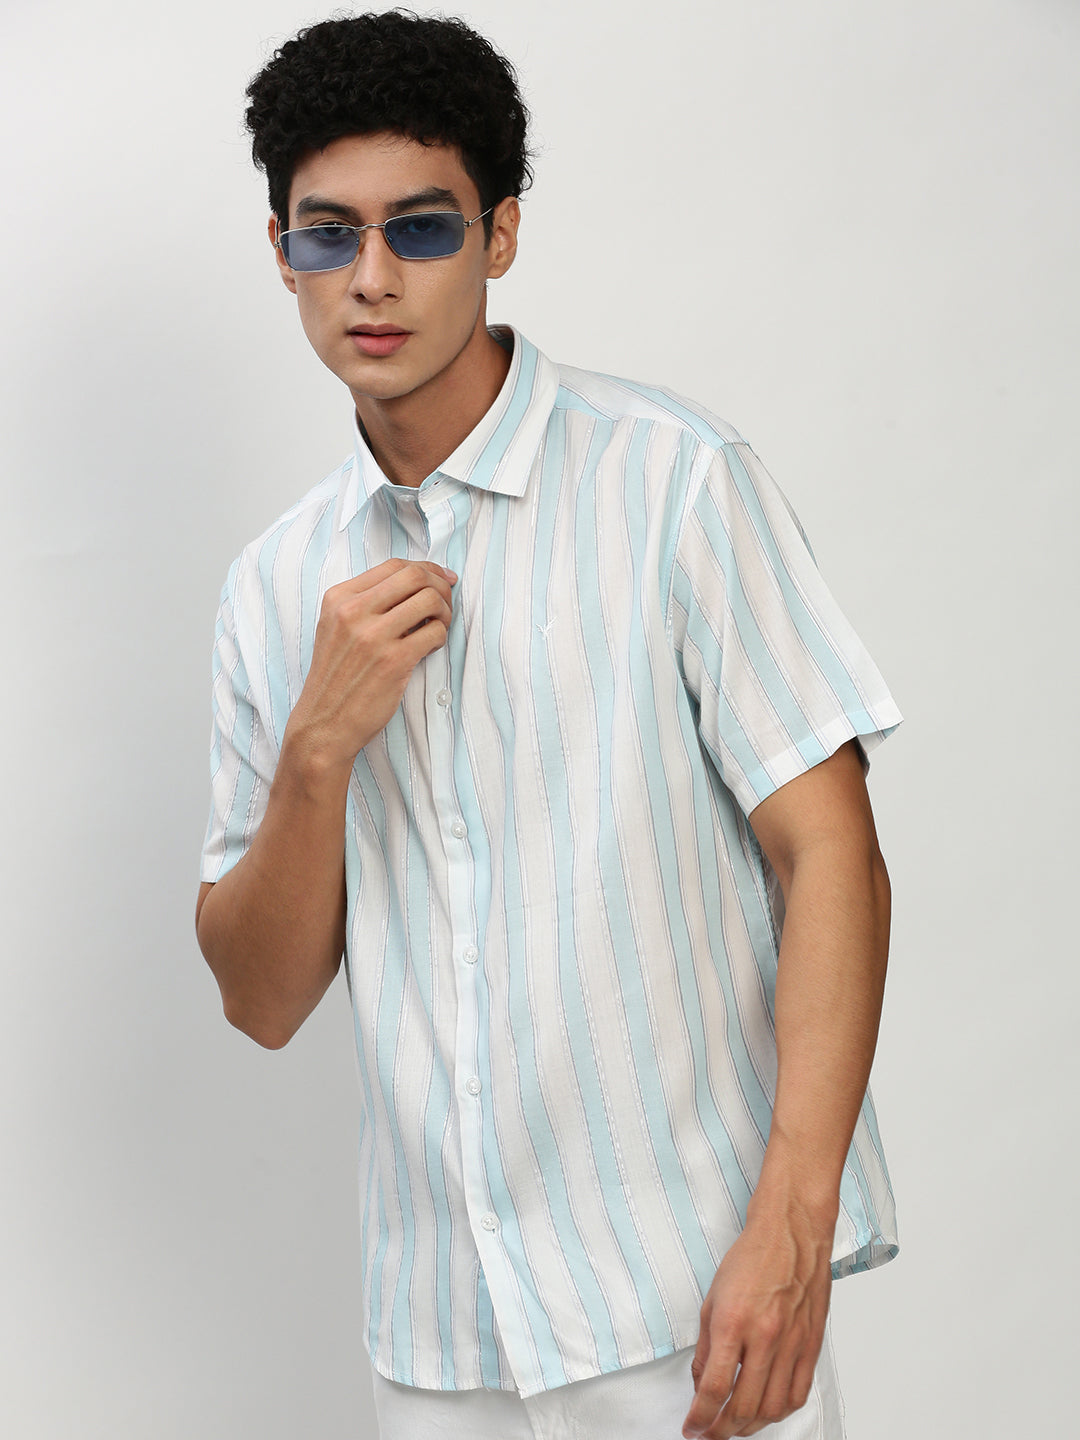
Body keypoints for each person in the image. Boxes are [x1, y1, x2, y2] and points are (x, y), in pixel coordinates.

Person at [196, 11, 902, 1439]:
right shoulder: (275, 586)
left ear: (501, 233)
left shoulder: (675, 484)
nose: (372, 277)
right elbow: (261, 1001)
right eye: (328, 235)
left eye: (422, 228)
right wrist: (318, 754)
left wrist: (793, 1223)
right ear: (282, 253)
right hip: (440, 1345)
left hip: (693, 1310)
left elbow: (832, 854)